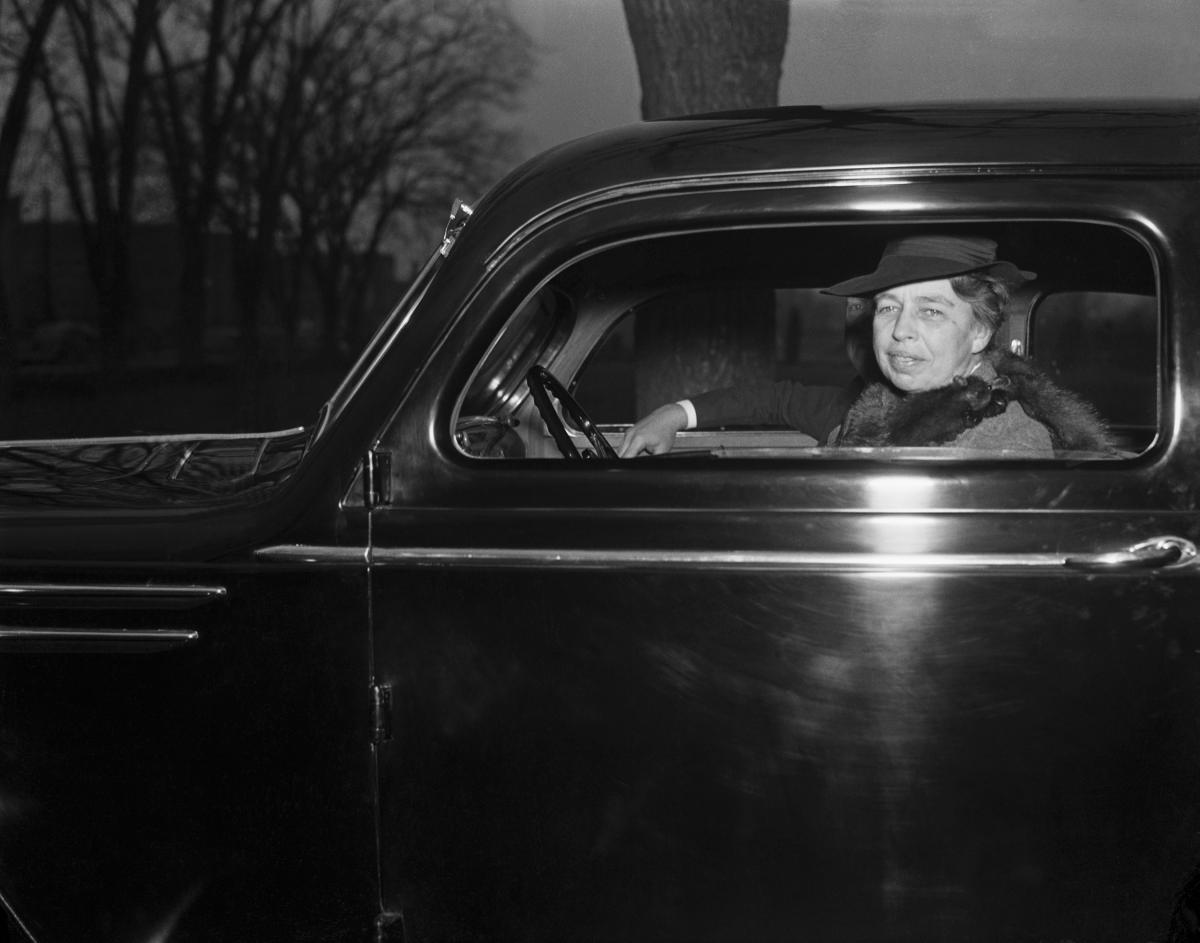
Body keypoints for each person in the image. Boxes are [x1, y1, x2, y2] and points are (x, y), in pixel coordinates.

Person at [618, 234, 1113, 458]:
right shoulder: (875, 404)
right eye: (888, 307)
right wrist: (675, 414)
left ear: (981, 332)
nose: (899, 331)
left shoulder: (1000, 441)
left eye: (932, 311)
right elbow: (779, 399)